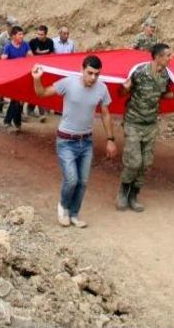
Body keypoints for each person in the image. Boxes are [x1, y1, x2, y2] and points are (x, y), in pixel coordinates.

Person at [31, 56, 118, 228]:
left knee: (83, 181)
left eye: (97, 74)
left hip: (86, 141)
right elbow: (41, 93)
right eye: (90, 73)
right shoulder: (68, 83)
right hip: (66, 140)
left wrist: (110, 139)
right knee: (71, 179)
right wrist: (37, 79)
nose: (93, 78)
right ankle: (63, 206)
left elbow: (106, 114)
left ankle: (74, 213)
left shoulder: (102, 88)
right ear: (82, 69)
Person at [117, 43, 174, 211]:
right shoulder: (139, 72)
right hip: (133, 122)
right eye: (168, 55)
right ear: (158, 57)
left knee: (146, 163)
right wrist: (123, 88)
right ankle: (122, 191)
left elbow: (163, 95)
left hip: (150, 124)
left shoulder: (165, 76)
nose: (171, 58)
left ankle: (134, 195)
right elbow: (121, 94)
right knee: (134, 162)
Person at [1, 26, 32, 130]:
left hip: (23, 77)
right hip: (12, 78)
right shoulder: (8, 47)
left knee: (20, 100)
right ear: (13, 36)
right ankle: (13, 122)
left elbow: (31, 57)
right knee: (16, 99)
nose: (22, 36)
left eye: (22, 34)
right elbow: (3, 61)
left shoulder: (25, 45)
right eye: (19, 34)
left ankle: (11, 121)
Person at [27, 26, 55, 119]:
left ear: (46, 35)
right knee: (35, 89)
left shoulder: (50, 42)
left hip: (46, 68)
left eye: (41, 34)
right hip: (34, 69)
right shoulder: (32, 42)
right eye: (38, 34)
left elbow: (51, 54)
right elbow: (30, 55)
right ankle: (39, 112)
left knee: (44, 88)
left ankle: (39, 109)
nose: (39, 36)